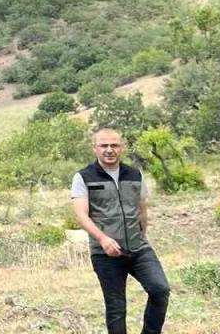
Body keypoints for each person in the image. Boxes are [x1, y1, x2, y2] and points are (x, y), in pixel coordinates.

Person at [71, 128, 171, 334]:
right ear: (95, 148)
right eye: (104, 145)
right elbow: (81, 215)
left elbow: (141, 208)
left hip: (138, 248)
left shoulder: (134, 174)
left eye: (114, 145)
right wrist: (103, 239)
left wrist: (141, 235)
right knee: (116, 308)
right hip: (105, 253)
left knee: (160, 289)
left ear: (122, 147)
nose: (109, 150)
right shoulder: (83, 177)